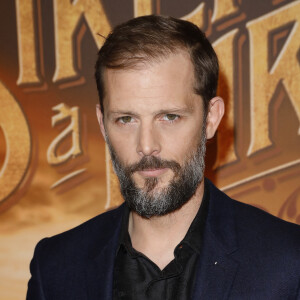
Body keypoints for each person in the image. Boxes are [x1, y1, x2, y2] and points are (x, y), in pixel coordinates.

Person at [27, 15, 300, 299]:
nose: (146, 146)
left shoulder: (289, 263)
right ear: (102, 123)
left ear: (211, 118)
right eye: (125, 119)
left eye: (169, 117)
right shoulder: (55, 268)